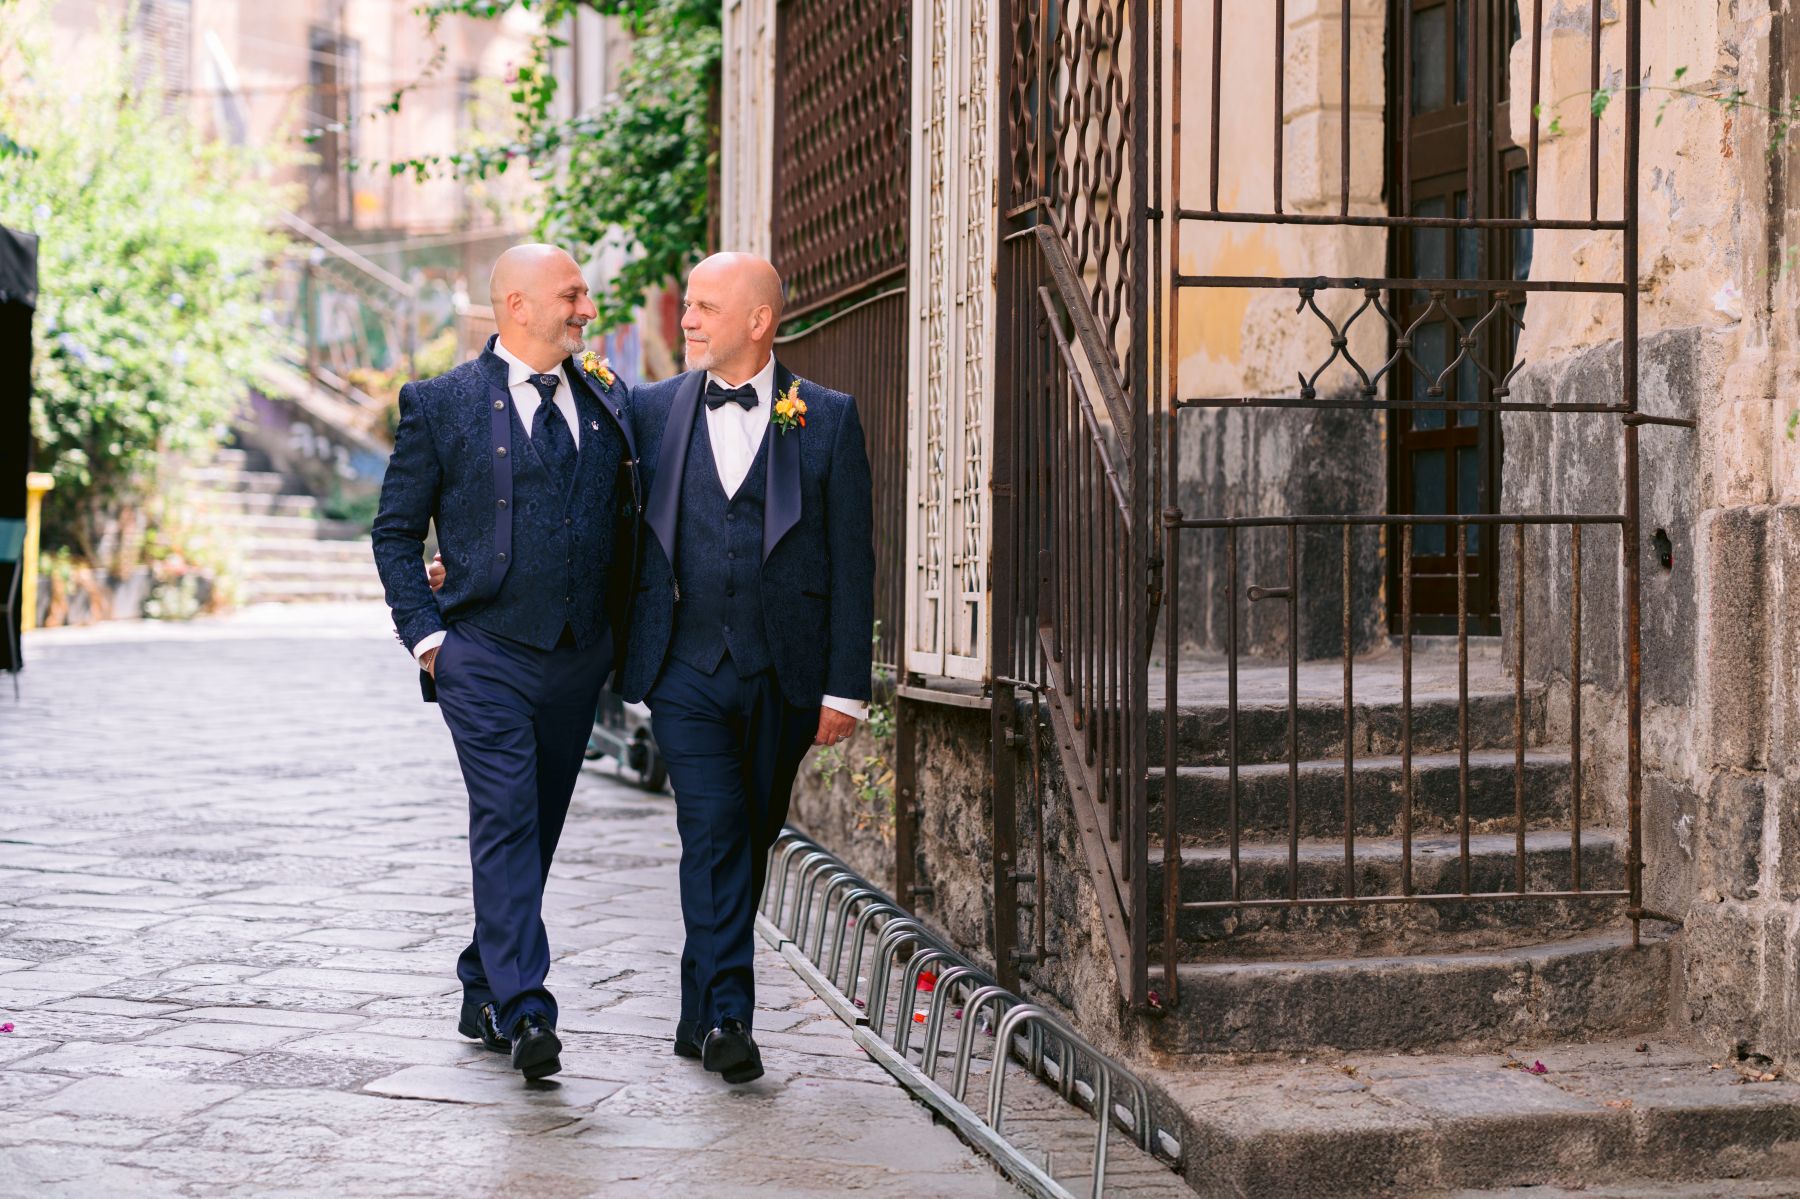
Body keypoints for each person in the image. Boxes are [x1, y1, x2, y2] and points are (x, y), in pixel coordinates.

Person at [371, 244, 639, 1082]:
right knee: (507, 819)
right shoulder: (441, 402)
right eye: (573, 294)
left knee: (539, 827)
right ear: (517, 305)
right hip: (480, 653)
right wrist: (428, 639)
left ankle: (481, 979)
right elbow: (394, 532)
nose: (586, 308)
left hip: (575, 659)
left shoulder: (607, 398)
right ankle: (526, 1011)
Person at [620, 251, 874, 1084]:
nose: (685, 320)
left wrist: (845, 686)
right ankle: (731, 1012)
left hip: (783, 672)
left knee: (753, 833)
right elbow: (596, 518)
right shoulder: (650, 411)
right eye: (687, 304)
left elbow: (851, 560)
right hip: (684, 666)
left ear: (759, 322)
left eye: (704, 307)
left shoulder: (826, 417)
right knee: (714, 827)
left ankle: (698, 1010)